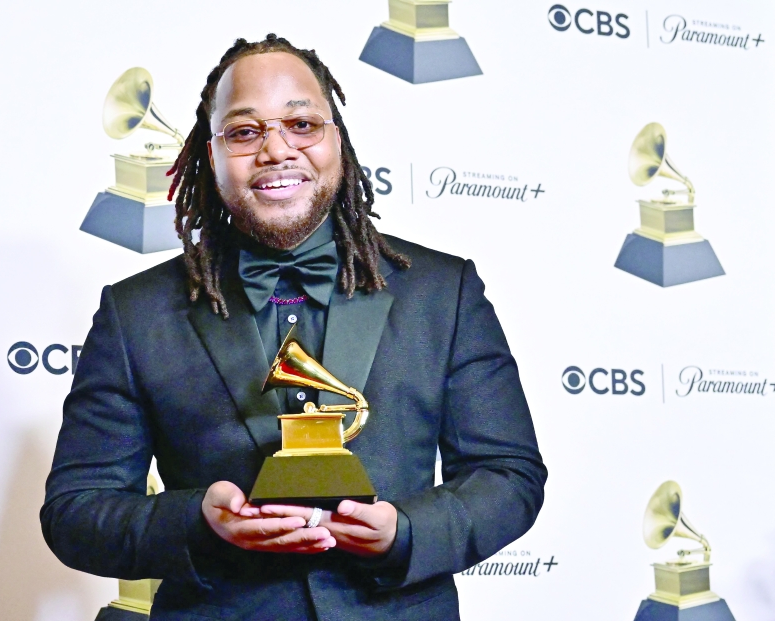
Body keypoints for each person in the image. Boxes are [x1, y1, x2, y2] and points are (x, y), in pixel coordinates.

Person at [41, 34, 546, 620]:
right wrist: (198, 521)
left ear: (338, 139)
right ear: (211, 153)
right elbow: (75, 511)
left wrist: (406, 533)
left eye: (302, 125)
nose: (277, 149)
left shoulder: (443, 291)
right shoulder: (137, 313)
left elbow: (508, 476)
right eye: (245, 131)